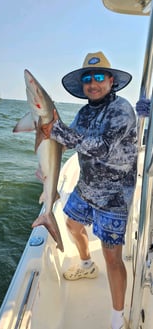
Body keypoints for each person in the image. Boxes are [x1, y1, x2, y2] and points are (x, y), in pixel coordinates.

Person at [37, 51, 137, 329]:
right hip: (87, 187)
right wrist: (46, 143)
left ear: (110, 81)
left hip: (115, 195)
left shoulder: (122, 110)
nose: (92, 84)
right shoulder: (83, 112)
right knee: (71, 224)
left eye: (98, 77)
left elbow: (101, 146)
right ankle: (85, 264)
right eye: (87, 79)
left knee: (112, 255)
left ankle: (118, 319)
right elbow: (69, 141)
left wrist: (55, 130)